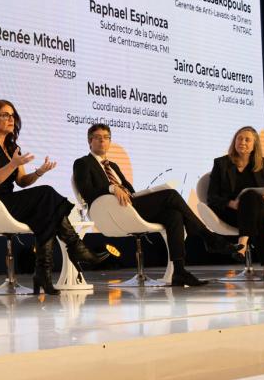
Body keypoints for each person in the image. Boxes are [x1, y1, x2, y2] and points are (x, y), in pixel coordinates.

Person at [74, 123, 241, 287]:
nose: (102, 141)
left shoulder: (113, 166)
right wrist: (111, 188)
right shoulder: (83, 163)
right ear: (90, 141)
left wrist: (141, 194)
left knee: (173, 215)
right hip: (111, 211)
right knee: (171, 195)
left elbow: (130, 191)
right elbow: (87, 192)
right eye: (97, 138)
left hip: (129, 206)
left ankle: (179, 271)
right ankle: (209, 238)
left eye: (106, 138)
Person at [0, 100, 107, 296]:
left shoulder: (10, 146)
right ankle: (75, 248)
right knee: (47, 195)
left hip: (7, 201)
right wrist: (12, 164)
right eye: (5, 115)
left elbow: (22, 182)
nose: (11, 119)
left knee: (46, 213)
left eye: (12, 115)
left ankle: (44, 273)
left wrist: (38, 173)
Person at [207, 126, 264, 282]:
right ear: (234, 141)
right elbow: (211, 197)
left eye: (247, 139)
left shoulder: (263, 164)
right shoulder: (221, 164)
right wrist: (230, 203)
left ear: (255, 145)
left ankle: (242, 244)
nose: (242, 142)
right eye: (239, 138)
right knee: (253, 206)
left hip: (261, 209)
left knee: (251, 196)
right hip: (232, 213)